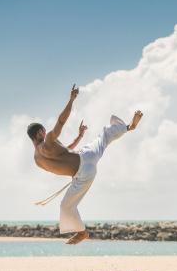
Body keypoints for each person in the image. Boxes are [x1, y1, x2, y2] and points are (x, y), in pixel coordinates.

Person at [28, 84, 143, 244]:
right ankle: (128, 127)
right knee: (103, 137)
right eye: (43, 131)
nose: (46, 133)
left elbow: (63, 152)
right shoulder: (47, 143)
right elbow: (61, 125)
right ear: (40, 132)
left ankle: (82, 233)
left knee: (66, 207)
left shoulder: (37, 159)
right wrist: (71, 99)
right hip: (85, 160)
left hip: (83, 172)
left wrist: (79, 136)